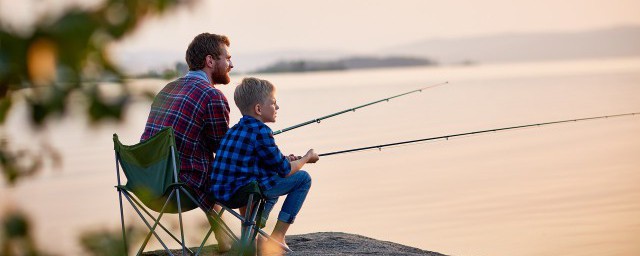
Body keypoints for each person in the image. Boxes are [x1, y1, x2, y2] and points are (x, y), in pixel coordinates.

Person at [140, 33, 234, 251]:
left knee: (206, 167)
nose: (231, 64)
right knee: (238, 171)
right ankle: (251, 242)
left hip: (147, 184)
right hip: (179, 189)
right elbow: (223, 151)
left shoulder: (167, 89)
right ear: (210, 61)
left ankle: (224, 240)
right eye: (227, 58)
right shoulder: (212, 96)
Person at [210, 77, 319, 253]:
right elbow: (284, 170)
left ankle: (255, 233)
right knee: (303, 179)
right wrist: (306, 157)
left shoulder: (234, 130)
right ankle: (277, 236)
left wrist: (286, 159)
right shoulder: (262, 131)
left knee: (270, 176)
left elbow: (260, 159)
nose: (277, 107)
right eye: (274, 103)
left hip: (221, 194)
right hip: (245, 193)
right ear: (259, 109)